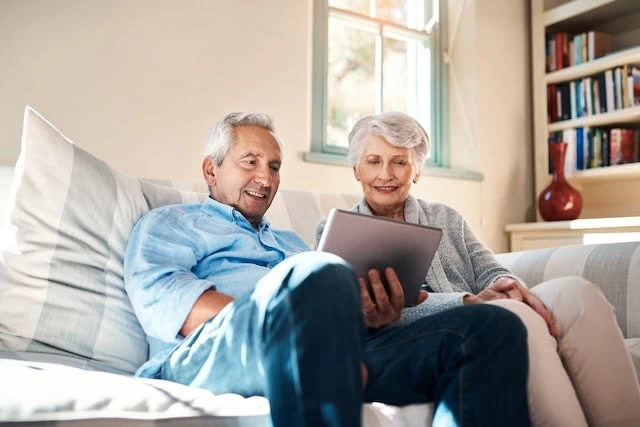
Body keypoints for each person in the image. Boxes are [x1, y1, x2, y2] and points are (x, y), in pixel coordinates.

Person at [123, 112, 532, 427]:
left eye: (275, 166)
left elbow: (338, 308)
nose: (265, 178)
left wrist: (373, 317)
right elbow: (166, 303)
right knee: (321, 275)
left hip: (332, 352)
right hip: (212, 354)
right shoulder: (172, 223)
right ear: (211, 170)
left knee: (490, 328)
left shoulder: (291, 244)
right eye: (250, 162)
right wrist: (303, 325)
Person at [316, 111, 640, 427]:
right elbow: (362, 316)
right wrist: (468, 302)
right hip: (420, 335)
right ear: (356, 169)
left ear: (416, 171)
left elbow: (489, 267)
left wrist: (505, 283)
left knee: (577, 293)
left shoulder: (446, 217)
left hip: (479, 307)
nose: (385, 174)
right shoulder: (333, 232)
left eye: (399, 162)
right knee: (515, 314)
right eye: (374, 161)